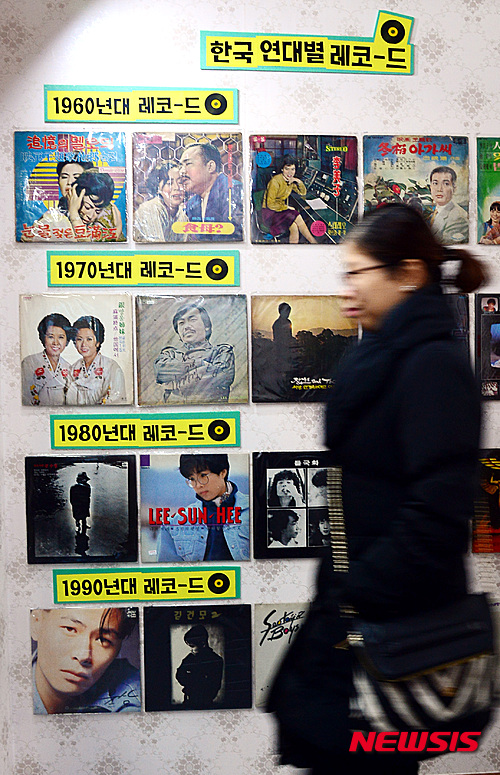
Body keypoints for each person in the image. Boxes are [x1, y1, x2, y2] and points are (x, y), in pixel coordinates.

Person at [268, 204, 490, 774]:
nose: (345, 289)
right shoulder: (380, 355)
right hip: (357, 611)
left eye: (356, 273)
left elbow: (437, 514)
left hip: (388, 623)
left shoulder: (432, 365)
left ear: (408, 274)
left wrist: (358, 593)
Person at [31, 607, 140, 714]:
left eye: (102, 640)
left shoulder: (134, 695)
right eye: (69, 629)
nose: (83, 656)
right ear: (36, 622)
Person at [156, 453, 250, 562]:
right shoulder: (173, 523)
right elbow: (168, 570)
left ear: (223, 473)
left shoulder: (254, 511)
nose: (198, 485)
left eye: (203, 476)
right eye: (192, 479)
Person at [154, 302, 235, 404]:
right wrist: (200, 364)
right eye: (181, 323)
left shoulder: (222, 352)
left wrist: (174, 384)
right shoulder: (170, 354)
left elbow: (221, 377)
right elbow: (160, 373)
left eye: (192, 320)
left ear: (206, 326)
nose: (186, 327)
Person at [24, 170, 124, 242]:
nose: (91, 216)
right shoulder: (55, 220)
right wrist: (74, 214)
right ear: (74, 197)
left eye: (97, 211)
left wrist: (117, 229)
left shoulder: (105, 217)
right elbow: (86, 248)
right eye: (87, 207)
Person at [179, 142, 243, 241]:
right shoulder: (192, 203)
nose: (182, 172)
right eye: (181, 166)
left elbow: (233, 236)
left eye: (188, 164)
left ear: (210, 167)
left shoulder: (233, 191)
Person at [67, 315, 126, 405]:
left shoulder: (111, 367)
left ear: (98, 342)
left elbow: (116, 399)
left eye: (89, 339)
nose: (83, 344)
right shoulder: (73, 368)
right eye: (79, 339)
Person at [261, 156, 318, 244]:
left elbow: (302, 193)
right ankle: (313, 242)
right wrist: (287, 207)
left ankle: (294, 249)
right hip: (270, 213)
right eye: (287, 169)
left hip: (280, 211)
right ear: (282, 169)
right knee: (296, 214)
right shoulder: (275, 181)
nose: (290, 172)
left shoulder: (289, 180)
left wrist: (298, 181)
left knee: (294, 226)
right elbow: (270, 204)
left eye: (293, 169)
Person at [21, 312, 73, 406]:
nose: (55, 342)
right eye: (50, 337)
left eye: (61, 337)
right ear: (43, 338)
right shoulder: (29, 363)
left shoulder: (68, 367)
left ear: (67, 340)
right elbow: (25, 397)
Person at [134, 163, 188, 242]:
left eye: (180, 182)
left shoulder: (182, 215)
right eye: (169, 183)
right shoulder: (149, 209)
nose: (177, 188)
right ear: (158, 188)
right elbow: (157, 246)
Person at [175, 625, 223, 708]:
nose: (191, 650)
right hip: (188, 700)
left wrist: (192, 680)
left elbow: (214, 685)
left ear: (202, 643)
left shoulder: (215, 660)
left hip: (206, 702)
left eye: (192, 646)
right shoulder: (190, 658)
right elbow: (179, 675)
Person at [429, 165, 468, 244]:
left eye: (446, 184)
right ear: (431, 187)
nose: (439, 189)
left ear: (454, 188)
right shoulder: (436, 211)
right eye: (435, 183)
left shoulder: (458, 218)